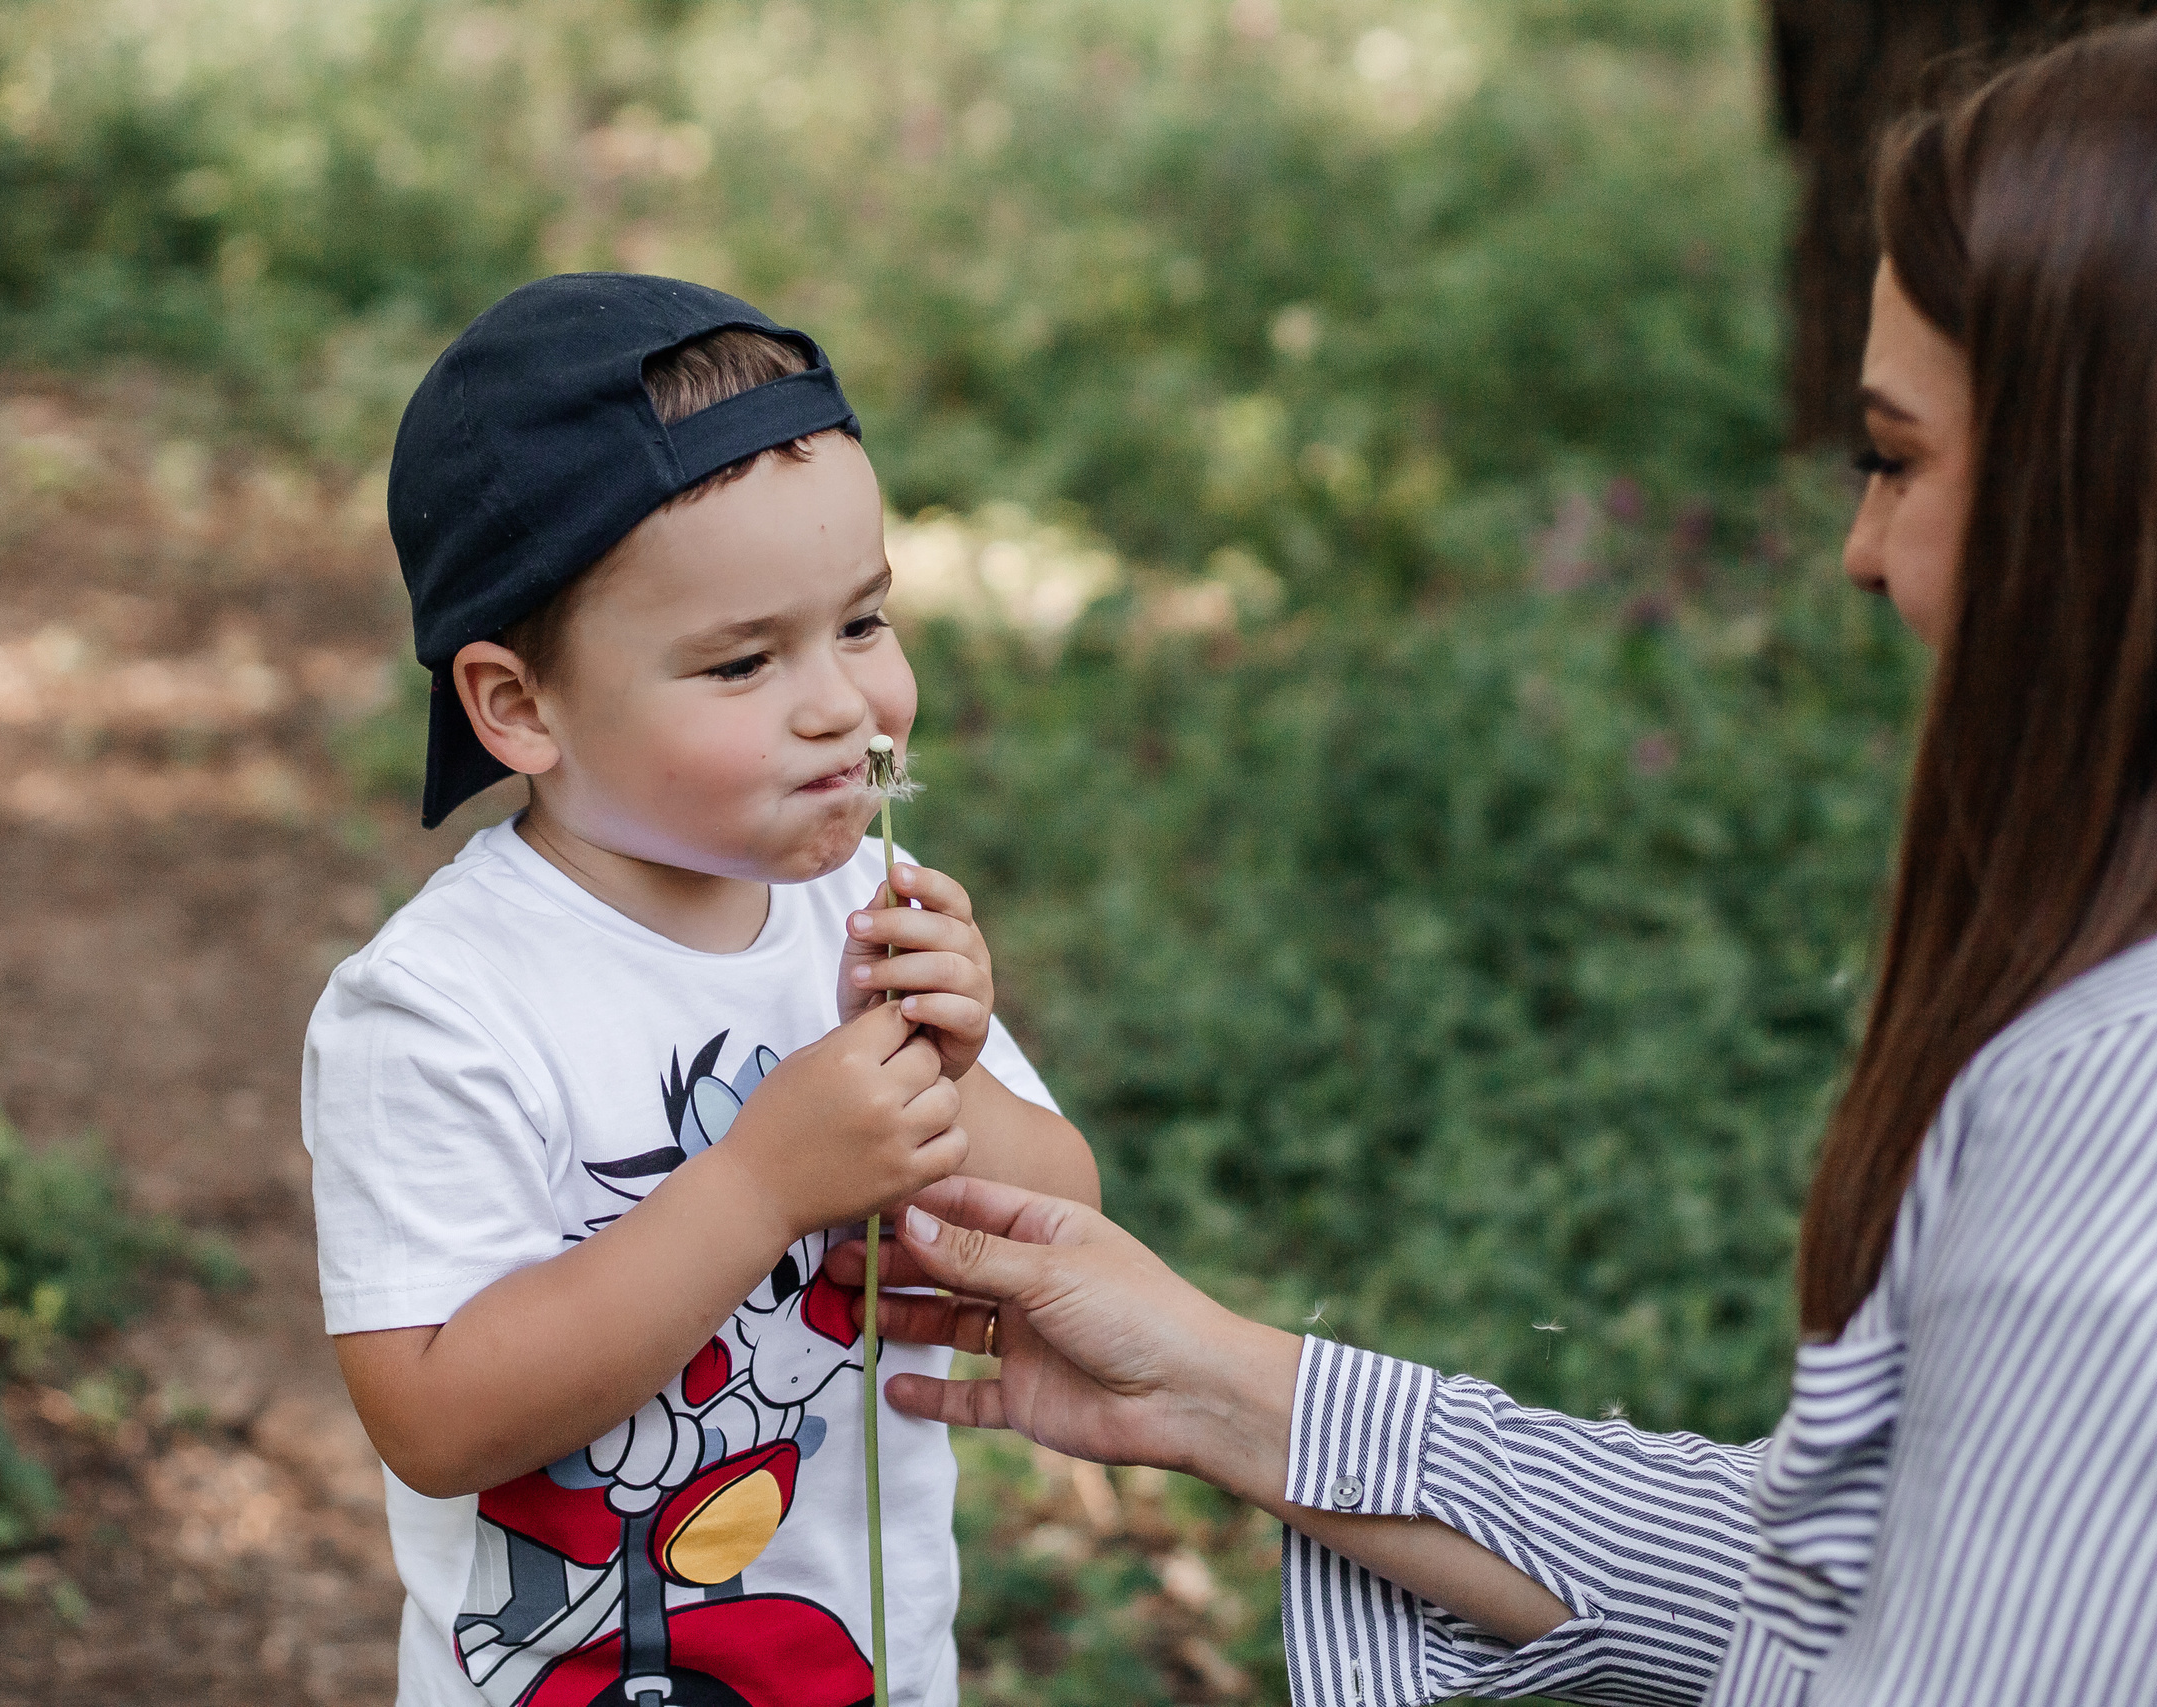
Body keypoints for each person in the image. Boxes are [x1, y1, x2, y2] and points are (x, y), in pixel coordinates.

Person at [837, 22, 2157, 1707]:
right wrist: (1234, 1393)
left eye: (1896, 458)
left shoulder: (2103, 1169)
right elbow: (1834, 1580)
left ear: (2097, 496)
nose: (1861, 548)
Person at [302, 275, 1097, 1707]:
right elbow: (430, 1412)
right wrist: (757, 1189)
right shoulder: (439, 1007)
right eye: (743, 661)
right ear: (518, 706)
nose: (844, 708)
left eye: (861, 625)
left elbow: (1065, 1217)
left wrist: (955, 1078)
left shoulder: (857, 910)